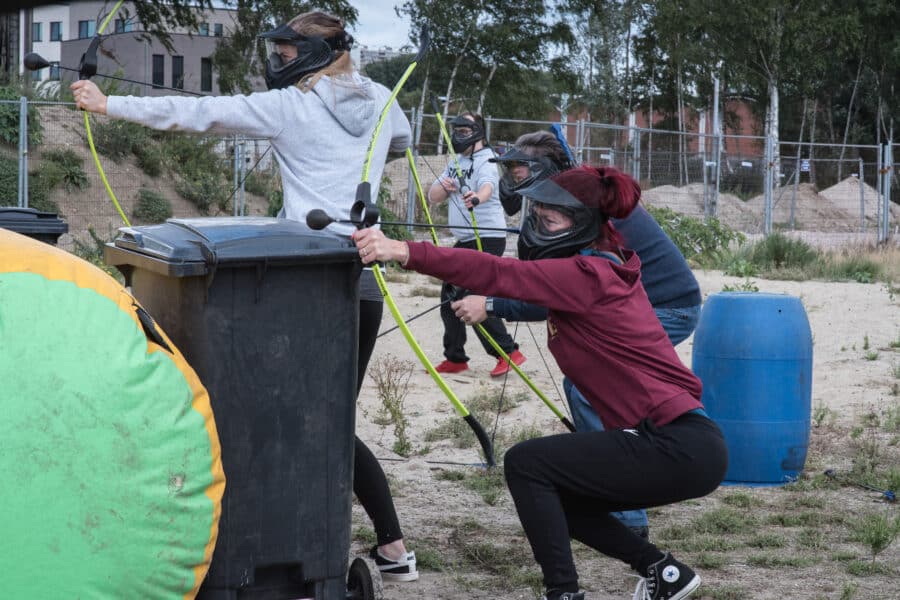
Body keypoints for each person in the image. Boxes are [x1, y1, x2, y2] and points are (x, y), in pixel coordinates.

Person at [71, 11, 419, 582]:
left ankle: (358, 541)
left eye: (286, 53)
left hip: (304, 283)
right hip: (360, 279)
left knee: (317, 419)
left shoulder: (290, 107)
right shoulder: (381, 99)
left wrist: (108, 104)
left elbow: (201, 114)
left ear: (315, 52)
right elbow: (400, 142)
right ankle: (390, 548)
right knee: (333, 418)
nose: (277, 61)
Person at [353, 165, 727, 600]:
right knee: (556, 493)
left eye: (549, 221)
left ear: (582, 224)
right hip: (680, 445)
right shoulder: (591, 273)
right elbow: (520, 288)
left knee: (527, 464)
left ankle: (563, 593)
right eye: (537, 218)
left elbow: (498, 273)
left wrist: (402, 249)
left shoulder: (589, 274)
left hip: (675, 444)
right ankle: (664, 572)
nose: (537, 229)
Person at [457, 130, 704, 538]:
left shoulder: (585, 208)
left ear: (546, 172)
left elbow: (561, 298)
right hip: (645, 305)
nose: (515, 180)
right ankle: (613, 479)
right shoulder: (566, 202)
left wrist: (492, 305)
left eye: (521, 171)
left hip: (668, 306)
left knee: (591, 387)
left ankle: (626, 513)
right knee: (589, 385)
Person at [426, 111, 525, 377]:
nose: (459, 136)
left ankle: (508, 352)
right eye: (457, 131)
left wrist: (476, 198)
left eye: (465, 131)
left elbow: (488, 187)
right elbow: (433, 195)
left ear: (478, 132)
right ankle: (455, 358)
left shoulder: (487, 160)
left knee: (472, 297)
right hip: (466, 240)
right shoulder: (456, 161)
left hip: (487, 237)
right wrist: (445, 188)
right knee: (449, 298)